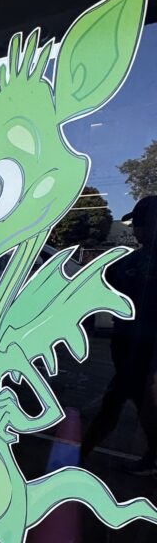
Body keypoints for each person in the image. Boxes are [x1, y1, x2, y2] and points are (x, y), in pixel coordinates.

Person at [81, 195, 157, 475]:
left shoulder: (136, 262)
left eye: (140, 223)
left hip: (144, 354)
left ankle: (76, 456)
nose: (136, 230)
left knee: (115, 404)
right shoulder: (130, 261)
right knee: (135, 404)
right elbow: (99, 287)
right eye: (136, 224)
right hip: (129, 350)